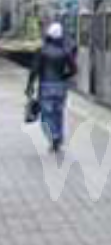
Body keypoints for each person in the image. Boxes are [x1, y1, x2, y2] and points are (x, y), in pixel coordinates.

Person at [25, 22, 76, 155]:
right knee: (58, 114)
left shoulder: (42, 51)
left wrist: (29, 86)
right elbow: (74, 69)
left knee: (46, 116)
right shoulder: (65, 51)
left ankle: (54, 137)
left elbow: (34, 70)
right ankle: (58, 137)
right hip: (61, 87)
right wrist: (64, 77)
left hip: (46, 86)